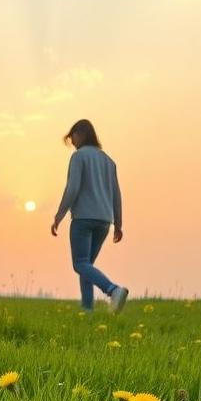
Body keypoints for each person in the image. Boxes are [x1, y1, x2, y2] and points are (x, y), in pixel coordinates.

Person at [51, 119, 129, 313]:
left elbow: (73, 188)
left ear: (80, 134)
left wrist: (59, 215)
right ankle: (87, 309)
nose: (73, 143)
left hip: (83, 219)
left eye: (73, 138)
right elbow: (116, 194)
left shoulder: (79, 157)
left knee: (80, 264)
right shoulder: (108, 161)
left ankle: (113, 290)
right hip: (104, 221)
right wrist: (118, 223)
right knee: (87, 266)